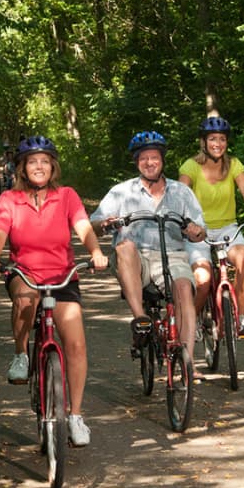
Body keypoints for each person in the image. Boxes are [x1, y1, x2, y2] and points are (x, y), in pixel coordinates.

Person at [0, 135, 108, 447]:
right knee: (27, 299)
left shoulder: (66, 195)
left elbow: (83, 227)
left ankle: (76, 416)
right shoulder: (10, 199)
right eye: (32, 162)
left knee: (76, 344)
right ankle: (22, 354)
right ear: (22, 168)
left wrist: (95, 252)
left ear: (53, 166)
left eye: (44, 161)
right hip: (24, 272)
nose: (39, 166)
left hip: (62, 276)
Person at [90, 131, 207, 372]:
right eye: (143, 158)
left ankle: (187, 361)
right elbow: (93, 224)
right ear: (136, 162)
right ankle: (140, 318)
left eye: (154, 157)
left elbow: (200, 231)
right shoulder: (121, 191)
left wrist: (195, 231)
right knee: (124, 245)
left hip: (173, 255)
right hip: (137, 259)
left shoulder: (181, 192)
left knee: (185, 288)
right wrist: (104, 224)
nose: (149, 163)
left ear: (162, 161)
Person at [178, 116, 244, 339]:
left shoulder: (233, 165)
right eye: (213, 139)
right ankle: (193, 320)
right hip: (198, 231)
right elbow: (179, 197)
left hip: (228, 228)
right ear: (204, 142)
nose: (218, 143)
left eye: (222, 139)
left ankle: (239, 318)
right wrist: (187, 224)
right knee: (203, 280)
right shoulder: (191, 166)